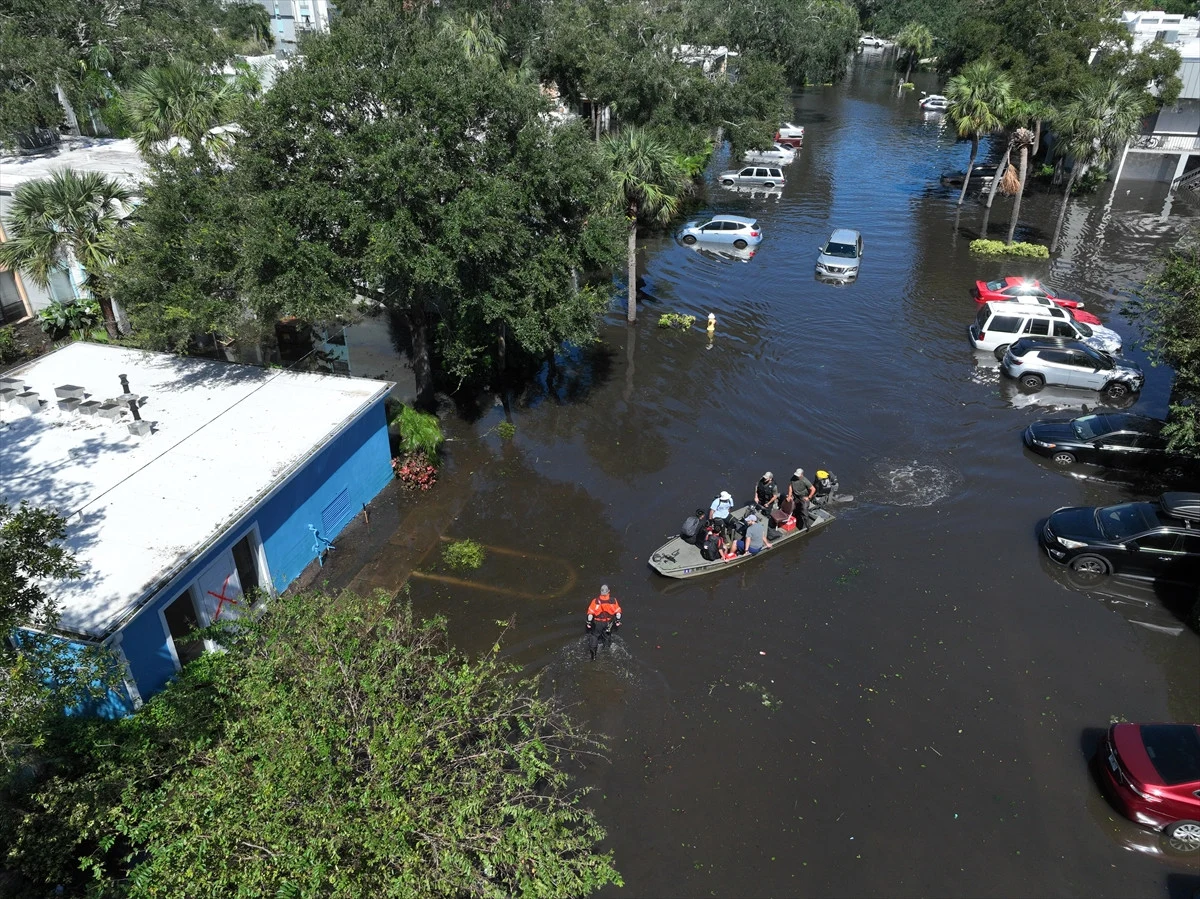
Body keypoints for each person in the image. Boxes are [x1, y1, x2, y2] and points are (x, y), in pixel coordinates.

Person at [585, 584, 622, 660]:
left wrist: (588, 623)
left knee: (594, 636)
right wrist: (618, 621)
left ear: (600, 592)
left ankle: (593, 656)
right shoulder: (613, 600)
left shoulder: (595, 601)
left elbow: (590, 614)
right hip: (608, 623)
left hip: (597, 623)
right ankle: (607, 652)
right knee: (607, 637)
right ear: (608, 591)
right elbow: (618, 613)